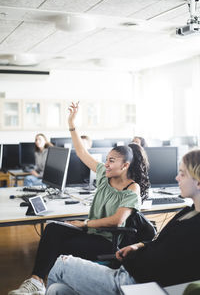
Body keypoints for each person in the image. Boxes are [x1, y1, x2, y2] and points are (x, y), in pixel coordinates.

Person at [8, 102, 150, 295]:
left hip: (107, 241)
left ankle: (41, 284)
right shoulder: (104, 173)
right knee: (52, 229)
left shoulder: (132, 188)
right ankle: (36, 283)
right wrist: (72, 124)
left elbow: (118, 220)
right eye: (106, 159)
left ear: (125, 166)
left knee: (57, 246)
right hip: (92, 232)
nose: (105, 164)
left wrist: (84, 224)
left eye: (111, 161)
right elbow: (82, 152)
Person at [44, 149, 200, 295]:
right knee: (58, 289)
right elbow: (163, 245)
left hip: (134, 282)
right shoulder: (189, 212)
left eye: (182, 174)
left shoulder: (195, 226)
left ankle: (36, 284)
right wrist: (140, 245)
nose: (176, 178)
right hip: (129, 270)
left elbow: (173, 267)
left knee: (61, 265)